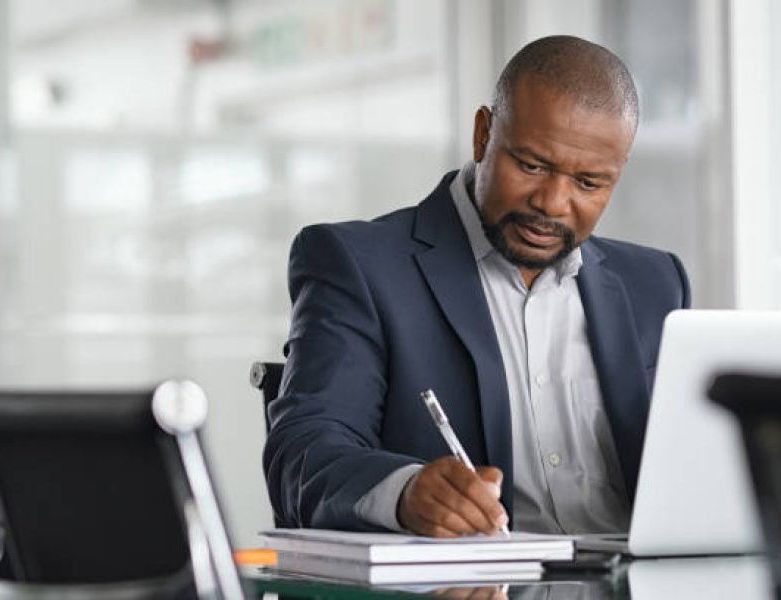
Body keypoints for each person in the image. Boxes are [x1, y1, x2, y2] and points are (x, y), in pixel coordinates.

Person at [263, 35, 690, 537]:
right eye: (532, 165)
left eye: (589, 183)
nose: (553, 202)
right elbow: (306, 451)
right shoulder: (359, 265)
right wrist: (404, 492)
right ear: (483, 133)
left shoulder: (656, 284)